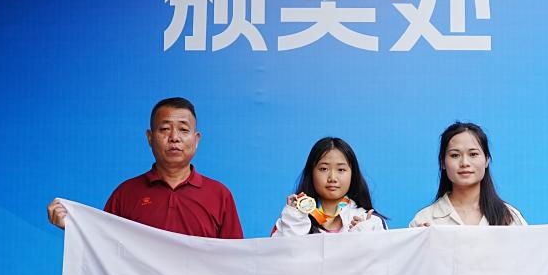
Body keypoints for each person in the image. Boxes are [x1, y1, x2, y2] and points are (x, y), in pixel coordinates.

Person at [47, 97, 243, 239]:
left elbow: (234, 259)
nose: (174, 137)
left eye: (183, 129)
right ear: (150, 138)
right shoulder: (126, 194)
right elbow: (103, 245)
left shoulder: (219, 195)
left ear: (196, 139)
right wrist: (73, 227)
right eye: (164, 129)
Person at [410, 121, 548, 249]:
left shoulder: (509, 217)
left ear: (486, 160)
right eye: (455, 155)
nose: (464, 162)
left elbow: (534, 254)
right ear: (443, 162)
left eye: (473, 154)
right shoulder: (425, 220)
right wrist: (416, 245)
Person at [272, 137, 385, 236]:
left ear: (352, 174)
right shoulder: (292, 218)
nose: (332, 178)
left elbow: (385, 253)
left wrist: (368, 238)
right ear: (311, 173)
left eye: (341, 170)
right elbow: (278, 252)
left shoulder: (369, 221)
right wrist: (293, 221)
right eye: (324, 169)